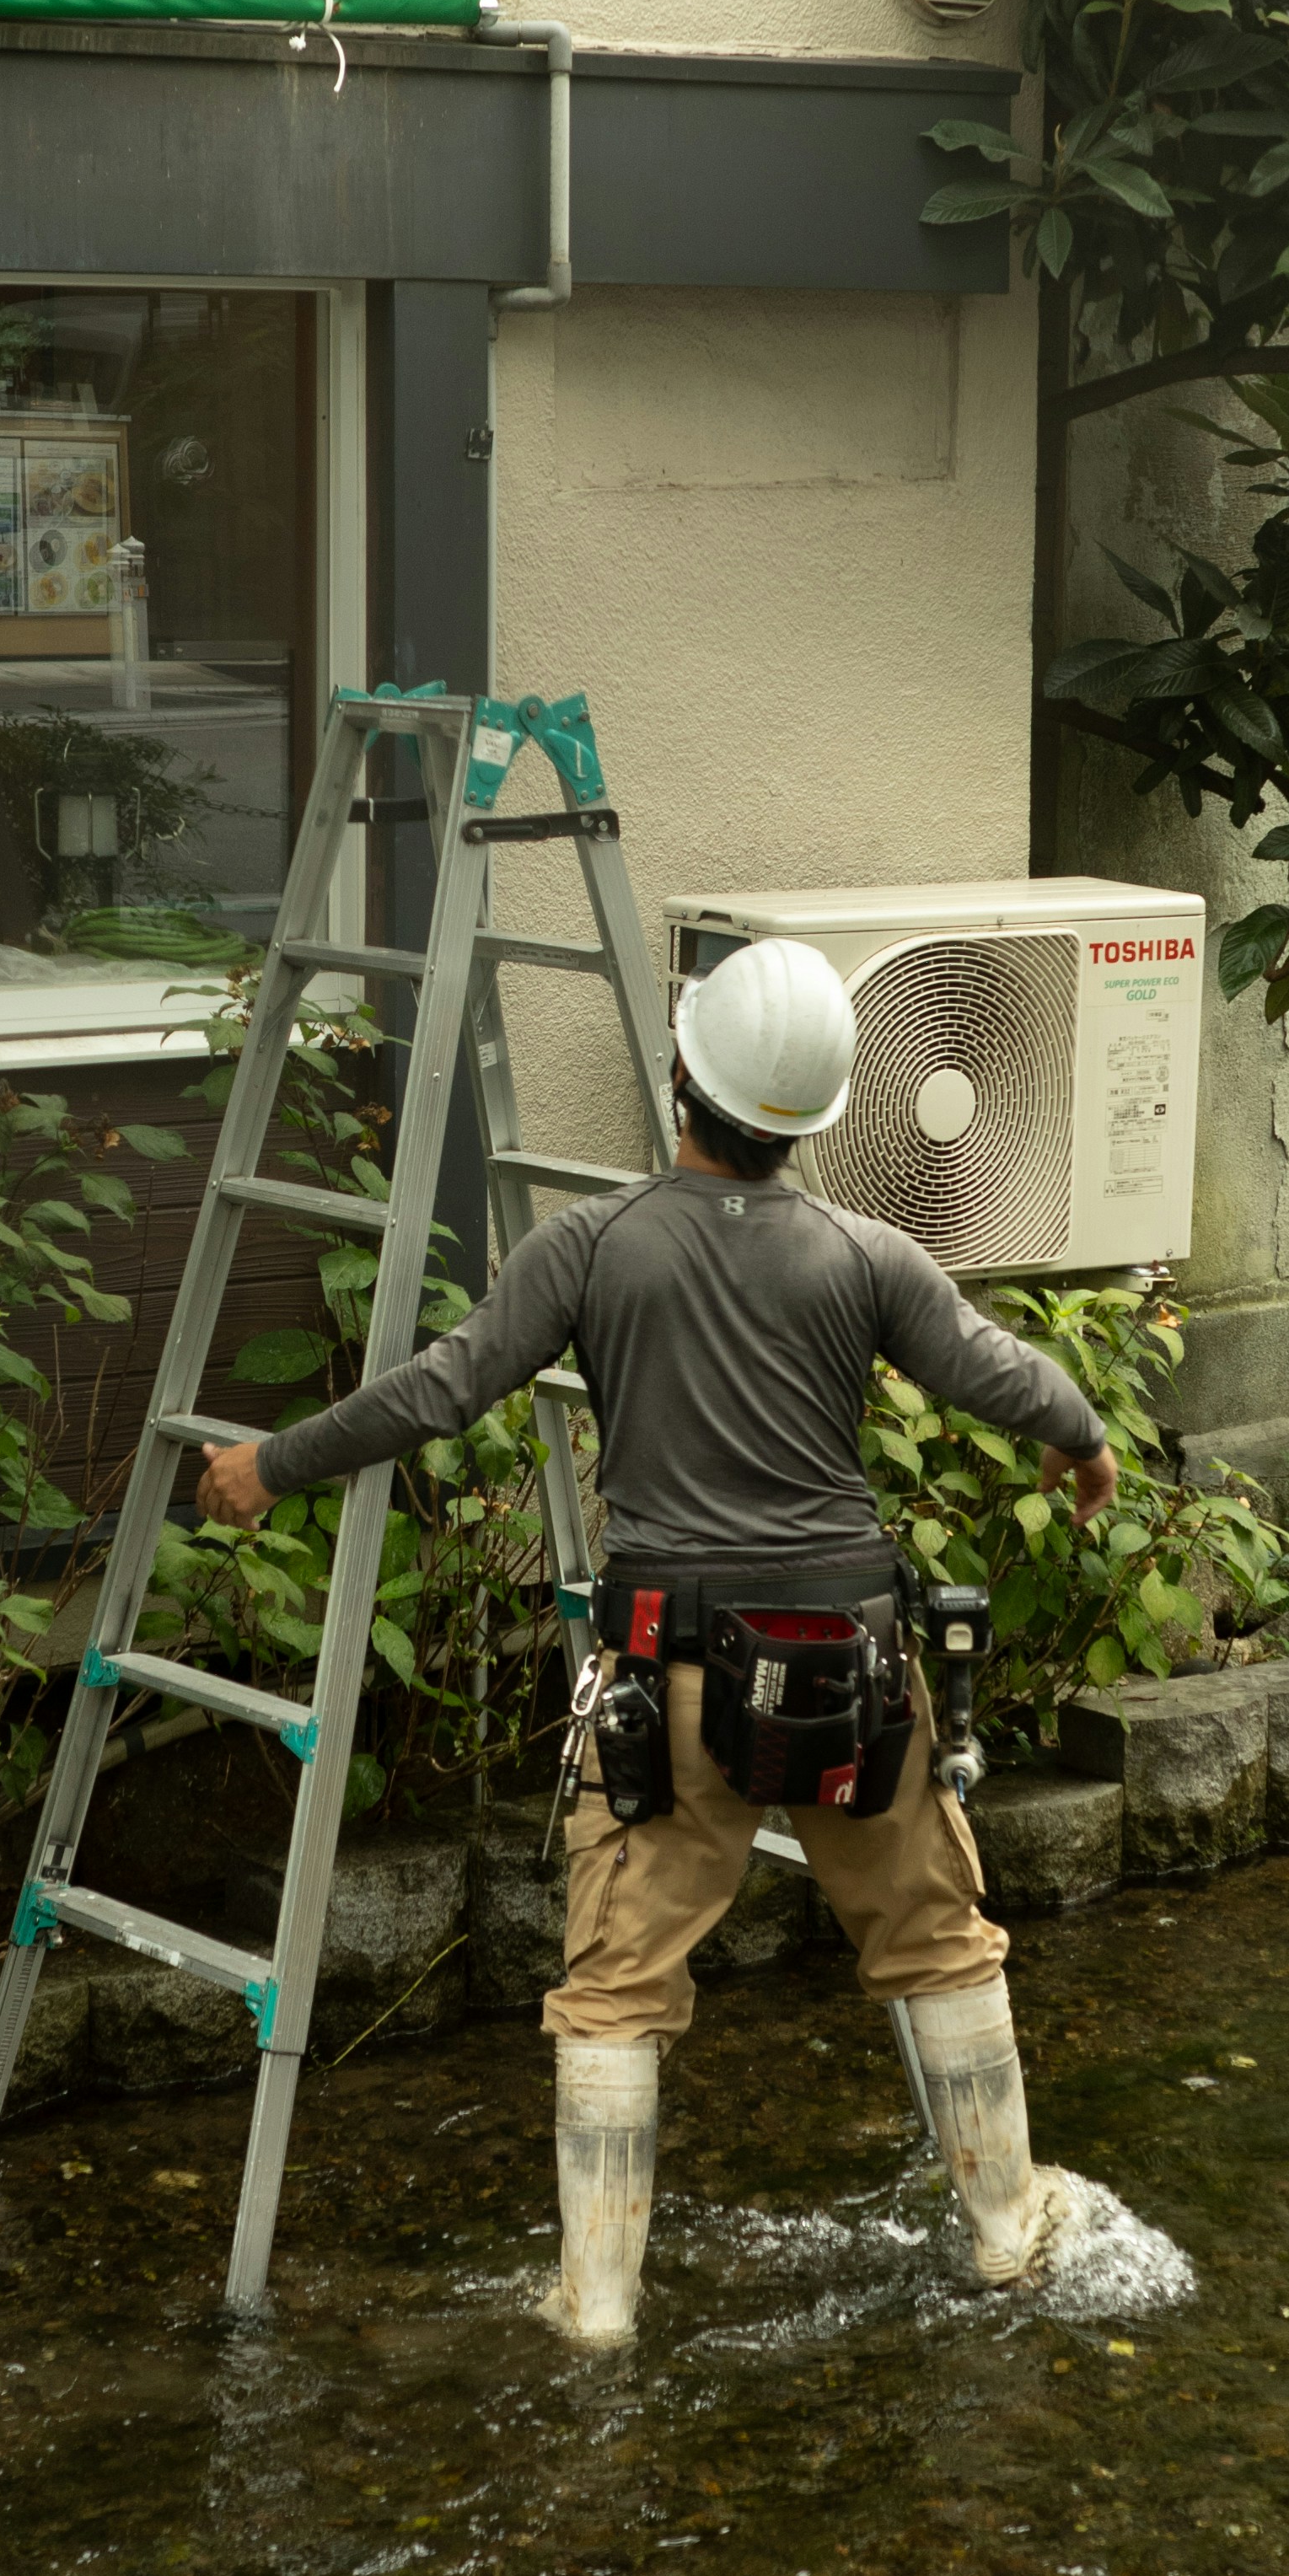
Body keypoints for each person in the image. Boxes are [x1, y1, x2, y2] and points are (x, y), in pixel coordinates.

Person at [196, 934, 1120, 2343]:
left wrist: (273, 1466)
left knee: (617, 1988)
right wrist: (1082, 1439)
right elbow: (1011, 1380)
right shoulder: (872, 1258)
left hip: (668, 1675)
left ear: (683, 1073)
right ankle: (1006, 2236)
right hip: (854, 1678)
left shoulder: (593, 1246)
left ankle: (600, 2306)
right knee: (941, 1942)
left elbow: (441, 1391)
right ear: (810, 1117)